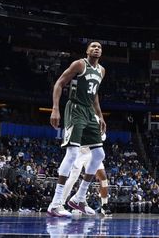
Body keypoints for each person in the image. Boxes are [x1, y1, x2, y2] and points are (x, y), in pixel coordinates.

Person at [47, 42, 106, 217]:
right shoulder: (79, 64)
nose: (96, 49)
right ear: (87, 50)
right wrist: (55, 108)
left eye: (99, 47)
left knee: (99, 155)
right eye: (93, 46)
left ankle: (79, 198)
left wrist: (100, 116)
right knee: (72, 154)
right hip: (75, 109)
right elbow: (59, 83)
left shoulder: (102, 70)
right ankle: (55, 203)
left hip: (89, 112)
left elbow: (94, 95)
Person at [61, 129, 111, 215]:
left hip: (91, 152)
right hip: (78, 152)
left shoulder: (96, 119)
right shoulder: (79, 118)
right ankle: (61, 203)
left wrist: (100, 133)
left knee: (103, 178)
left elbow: (103, 137)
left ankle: (104, 205)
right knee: (73, 178)